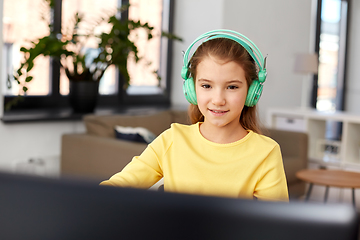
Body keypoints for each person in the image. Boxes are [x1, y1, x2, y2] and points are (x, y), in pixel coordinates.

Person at [100, 29, 289, 202]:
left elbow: (278, 226)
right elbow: (118, 187)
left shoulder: (266, 153)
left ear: (251, 92)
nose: (218, 100)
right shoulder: (172, 140)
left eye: (232, 87)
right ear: (191, 89)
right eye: (206, 86)